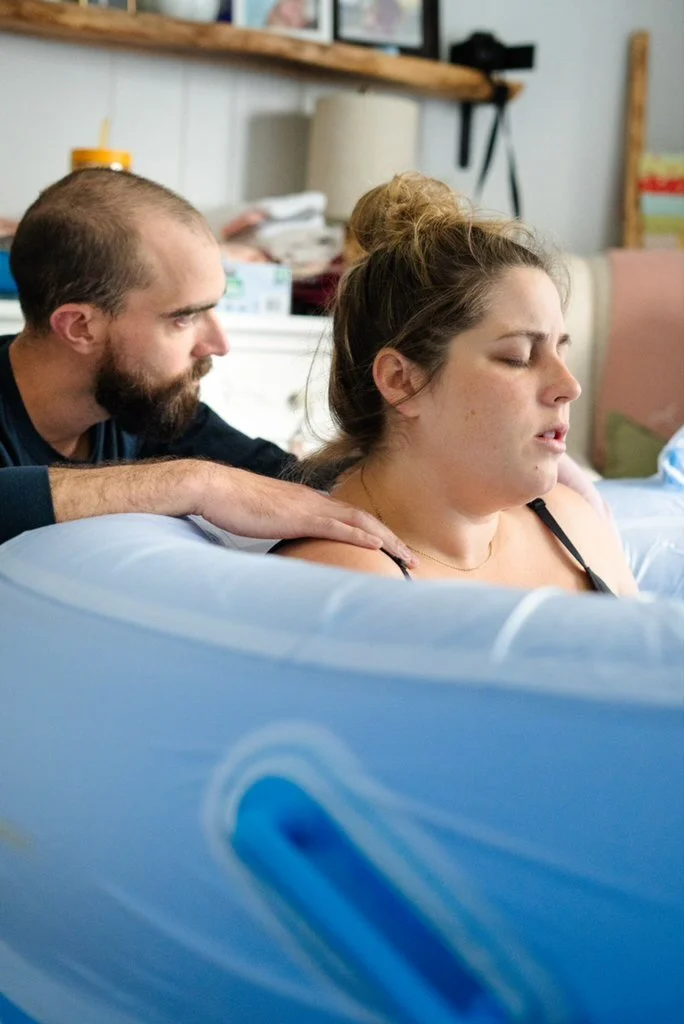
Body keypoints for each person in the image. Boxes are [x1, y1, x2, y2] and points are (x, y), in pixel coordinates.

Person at [0, 168, 415, 567]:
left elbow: (283, 477)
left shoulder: (140, 405)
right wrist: (195, 483)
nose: (219, 344)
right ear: (80, 327)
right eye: (184, 317)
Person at [274, 173, 638, 595]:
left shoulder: (570, 524)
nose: (569, 386)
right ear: (401, 381)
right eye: (518, 357)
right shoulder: (343, 574)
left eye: (562, 351)